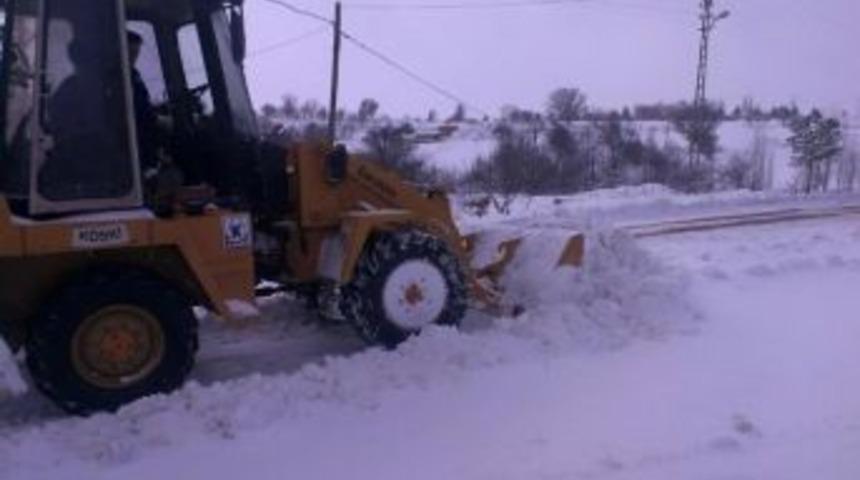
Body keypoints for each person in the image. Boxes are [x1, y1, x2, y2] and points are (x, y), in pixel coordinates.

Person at [127, 30, 160, 175]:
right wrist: (160, 119)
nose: (134, 58)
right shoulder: (120, 77)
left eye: (136, 53)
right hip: (132, 143)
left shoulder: (133, 74)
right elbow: (139, 110)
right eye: (131, 53)